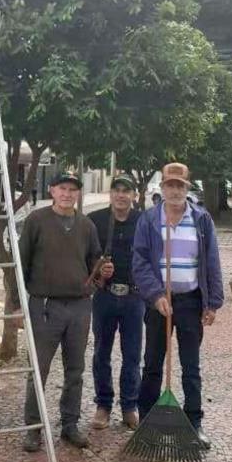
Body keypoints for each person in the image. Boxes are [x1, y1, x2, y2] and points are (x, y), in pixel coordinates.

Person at [132, 162, 224, 449]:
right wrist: (156, 294)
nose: (174, 190)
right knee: (153, 366)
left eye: (179, 186)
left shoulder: (201, 220)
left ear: (187, 188)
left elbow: (211, 262)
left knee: (191, 366)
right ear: (162, 188)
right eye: (170, 185)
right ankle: (146, 422)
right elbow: (140, 262)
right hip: (159, 302)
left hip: (190, 302)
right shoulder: (149, 220)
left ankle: (194, 423)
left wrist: (212, 303)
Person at [19, 170, 104, 452]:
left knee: (75, 370)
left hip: (80, 307)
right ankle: (33, 427)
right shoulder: (36, 221)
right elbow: (21, 264)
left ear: (78, 194)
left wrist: (102, 272)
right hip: (45, 306)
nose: (67, 194)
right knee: (38, 369)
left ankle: (70, 424)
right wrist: (21, 303)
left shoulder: (86, 225)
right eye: (62, 188)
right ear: (52, 191)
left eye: (72, 189)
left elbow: (95, 263)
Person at [87, 174, 145, 430]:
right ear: (110, 194)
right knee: (101, 353)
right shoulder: (95, 220)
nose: (121, 195)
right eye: (116, 190)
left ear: (134, 195)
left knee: (132, 355)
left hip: (134, 297)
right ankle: (103, 404)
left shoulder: (144, 221)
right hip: (105, 296)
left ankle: (130, 406)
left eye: (126, 191)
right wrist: (98, 271)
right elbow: (85, 256)